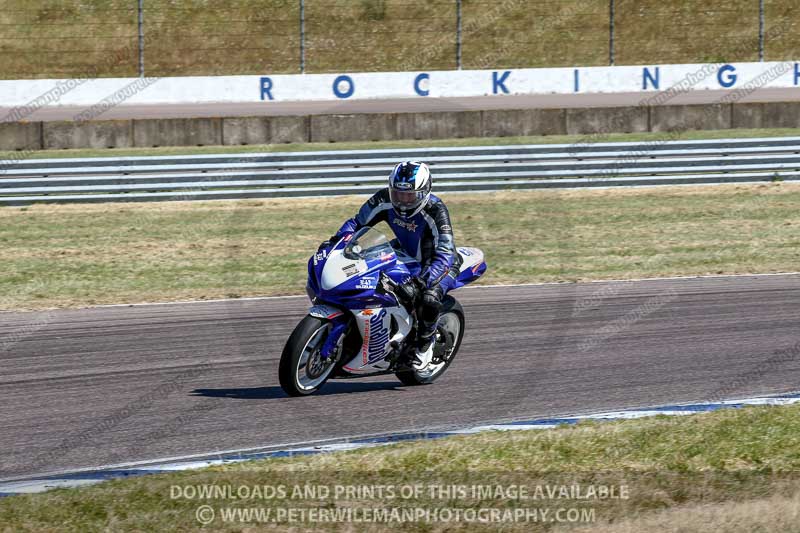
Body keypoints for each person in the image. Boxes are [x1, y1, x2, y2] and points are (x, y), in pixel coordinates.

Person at [322, 161, 461, 371]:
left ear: (424, 192)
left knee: (427, 297)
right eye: (398, 194)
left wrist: (422, 281)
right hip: (404, 253)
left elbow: (445, 253)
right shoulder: (383, 199)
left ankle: (425, 347)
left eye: (410, 196)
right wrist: (337, 241)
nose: (403, 201)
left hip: (437, 264)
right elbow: (356, 223)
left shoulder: (436, 210)